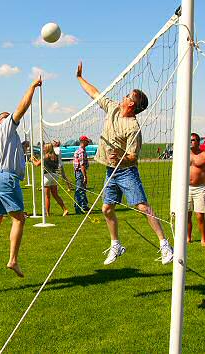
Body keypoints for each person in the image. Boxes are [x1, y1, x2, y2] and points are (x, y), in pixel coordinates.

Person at [76, 61, 173, 265]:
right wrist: (79, 78)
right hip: (110, 171)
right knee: (106, 209)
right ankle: (116, 245)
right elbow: (94, 93)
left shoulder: (133, 127)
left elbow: (133, 157)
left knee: (143, 207)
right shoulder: (112, 108)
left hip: (126, 172)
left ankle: (164, 245)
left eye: (128, 96)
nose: (124, 96)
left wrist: (120, 153)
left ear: (131, 104)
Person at [0, 76, 42, 282]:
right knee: (19, 218)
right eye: (6, 116)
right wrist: (32, 86)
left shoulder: (5, 137)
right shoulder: (5, 128)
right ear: (0, 122)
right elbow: (22, 107)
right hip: (4, 178)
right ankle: (13, 259)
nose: (11, 117)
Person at [30, 143, 69, 216]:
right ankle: (65, 209)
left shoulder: (45, 156)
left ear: (47, 148)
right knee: (55, 195)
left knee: (47, 196)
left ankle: (47, 213)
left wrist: (32, 160)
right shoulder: (56, 156)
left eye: (44, 148)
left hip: (47, 177)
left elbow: (37, 164)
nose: (43, 149)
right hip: (55, 176)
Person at [73, 136, 90, 214]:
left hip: (78, 172)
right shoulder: (82, 152)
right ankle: (78, 208)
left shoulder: (80, 150)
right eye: (87, 141)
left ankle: (84, 205)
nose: (88, 142)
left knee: (82, 189)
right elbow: (82, 165)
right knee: (79, 190)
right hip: (80, 172)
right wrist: (85, 176)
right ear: (83, 141)